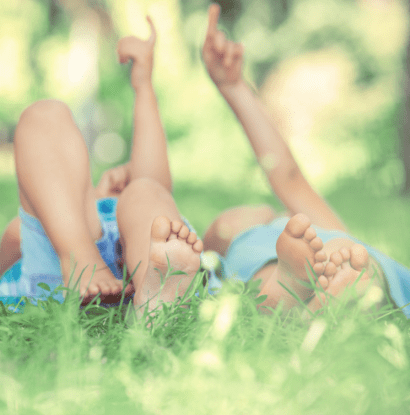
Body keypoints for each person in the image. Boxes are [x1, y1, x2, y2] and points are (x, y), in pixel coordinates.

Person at [199, 3, 410, 315]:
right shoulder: (251, 245)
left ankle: (302, 296)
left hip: (295, 267)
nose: (265, 212)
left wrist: (234, 87)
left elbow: (286, 176)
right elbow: (288, 179)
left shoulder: (306, 233)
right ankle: (309, 296)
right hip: (285, 266)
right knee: (344, 259)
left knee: (343, 257)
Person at [0, 17, 203, 312]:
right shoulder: (50, 217)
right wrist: (89, 201)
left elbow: (157, 186)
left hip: (138, 265)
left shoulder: (128, 205)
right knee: (45, 114)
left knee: (147, 193)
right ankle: (82, 259)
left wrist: (143, 85)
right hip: (62, 259)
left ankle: (156, 295)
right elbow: (14, 239)